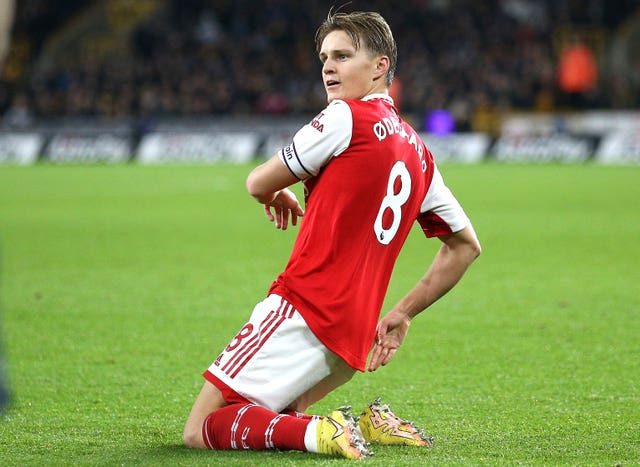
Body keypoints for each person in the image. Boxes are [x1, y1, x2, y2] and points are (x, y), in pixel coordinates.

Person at [184, 10, 481, 460]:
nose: (328, 66)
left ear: (380, 66)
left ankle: (325, 431)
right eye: (324, 57)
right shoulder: (421, 153)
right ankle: (365, 425)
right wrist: (403, 313)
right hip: (354, 335)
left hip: (304, 307)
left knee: (203, 427)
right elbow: (465, 246)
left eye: (342, 56)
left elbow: (256, 183)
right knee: (274, 417)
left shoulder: (344, 117)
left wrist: (277, 189)